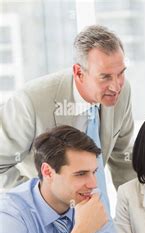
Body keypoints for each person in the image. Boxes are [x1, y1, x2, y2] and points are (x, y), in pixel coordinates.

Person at [0, 25, 135, 212]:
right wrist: (41, 200)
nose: (116, 86)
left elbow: (123, 158)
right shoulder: (31, 101)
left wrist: (135, 213)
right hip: (45, 221)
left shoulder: (123, 91)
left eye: (121, 73)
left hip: (99, 219)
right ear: (79, 73)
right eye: (105, 77)